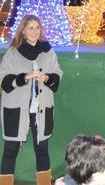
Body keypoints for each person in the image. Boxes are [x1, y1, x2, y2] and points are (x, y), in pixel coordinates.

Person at [0, 14, 63, 185]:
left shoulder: (48, 51)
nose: (35, 31)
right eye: (30, 28)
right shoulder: (13, 52)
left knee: (42, 149)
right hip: (16, 109)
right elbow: (3, 81)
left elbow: (57, 75)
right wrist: (25, 77)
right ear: (23, 31)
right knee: (10, 150)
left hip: (41, 109)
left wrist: (47, 78)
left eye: (37, 27)